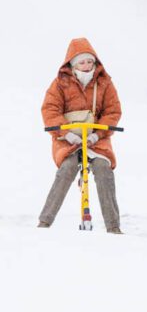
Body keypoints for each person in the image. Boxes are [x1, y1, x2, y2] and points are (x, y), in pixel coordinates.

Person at [40, 38, 123, 233]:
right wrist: (66, 133)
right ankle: (45, 221)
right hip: (67, 140)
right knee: (67, 169)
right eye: (82, 62)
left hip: (97, 140)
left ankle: (113, 226)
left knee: (103, 169)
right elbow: (50, 110)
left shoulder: (104, 83)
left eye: (89, 61)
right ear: (72, 64)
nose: (86, 66)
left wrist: (97, 134)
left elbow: (113, 111)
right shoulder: (60, 83)